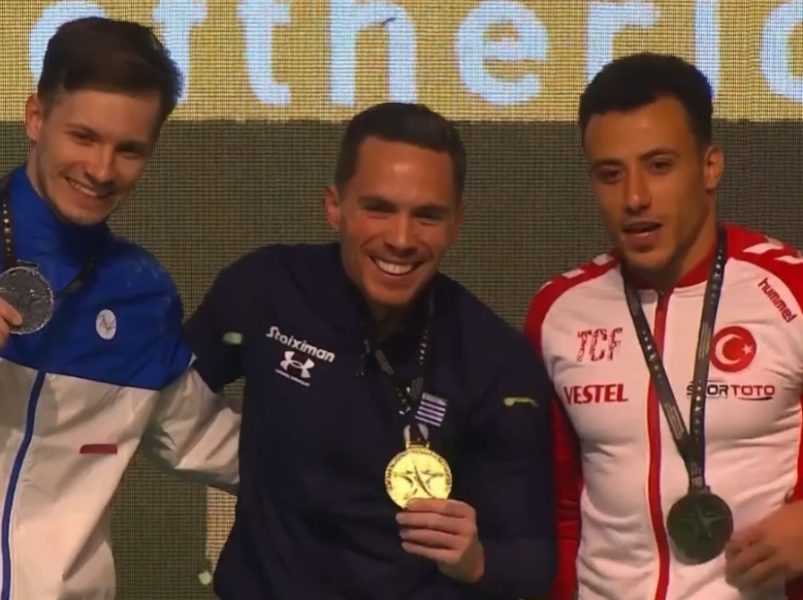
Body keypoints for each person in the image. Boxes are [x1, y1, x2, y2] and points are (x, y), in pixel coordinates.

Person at [184, 101, 556, 599]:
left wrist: (478, 561)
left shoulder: (497, 360)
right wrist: (256, 459)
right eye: (378, 208)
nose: (401, 239)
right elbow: (160, 399)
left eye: (427, 216)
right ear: (334, 206)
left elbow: (532, 559)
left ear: (457, 222)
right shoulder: (265, 290)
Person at [524, 52, 803, 600]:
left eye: (659, 166)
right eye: (610, 174)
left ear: (710, 167)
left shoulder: (791, 291)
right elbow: (557, 511)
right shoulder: (558, 312)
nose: (634, 198)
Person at [0, 17, 240, 600]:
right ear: (36, 118)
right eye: (84, 137)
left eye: (128, 149)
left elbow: (213, 443)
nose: (102, 170)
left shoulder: (142, 296)